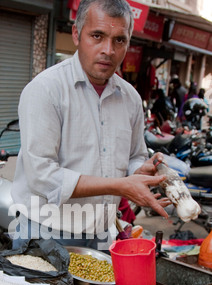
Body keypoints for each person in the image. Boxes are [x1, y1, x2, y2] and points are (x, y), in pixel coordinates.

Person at [11, 0, 169, 252]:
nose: (108, 50)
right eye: (97, 36)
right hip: (44, 233)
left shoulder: (130, 98)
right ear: (76, 34)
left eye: (119, 40)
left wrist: (141, 170)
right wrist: (120, 185)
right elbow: (42, 176)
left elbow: (134, 156)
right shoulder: (46, 90)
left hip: (102, 234)